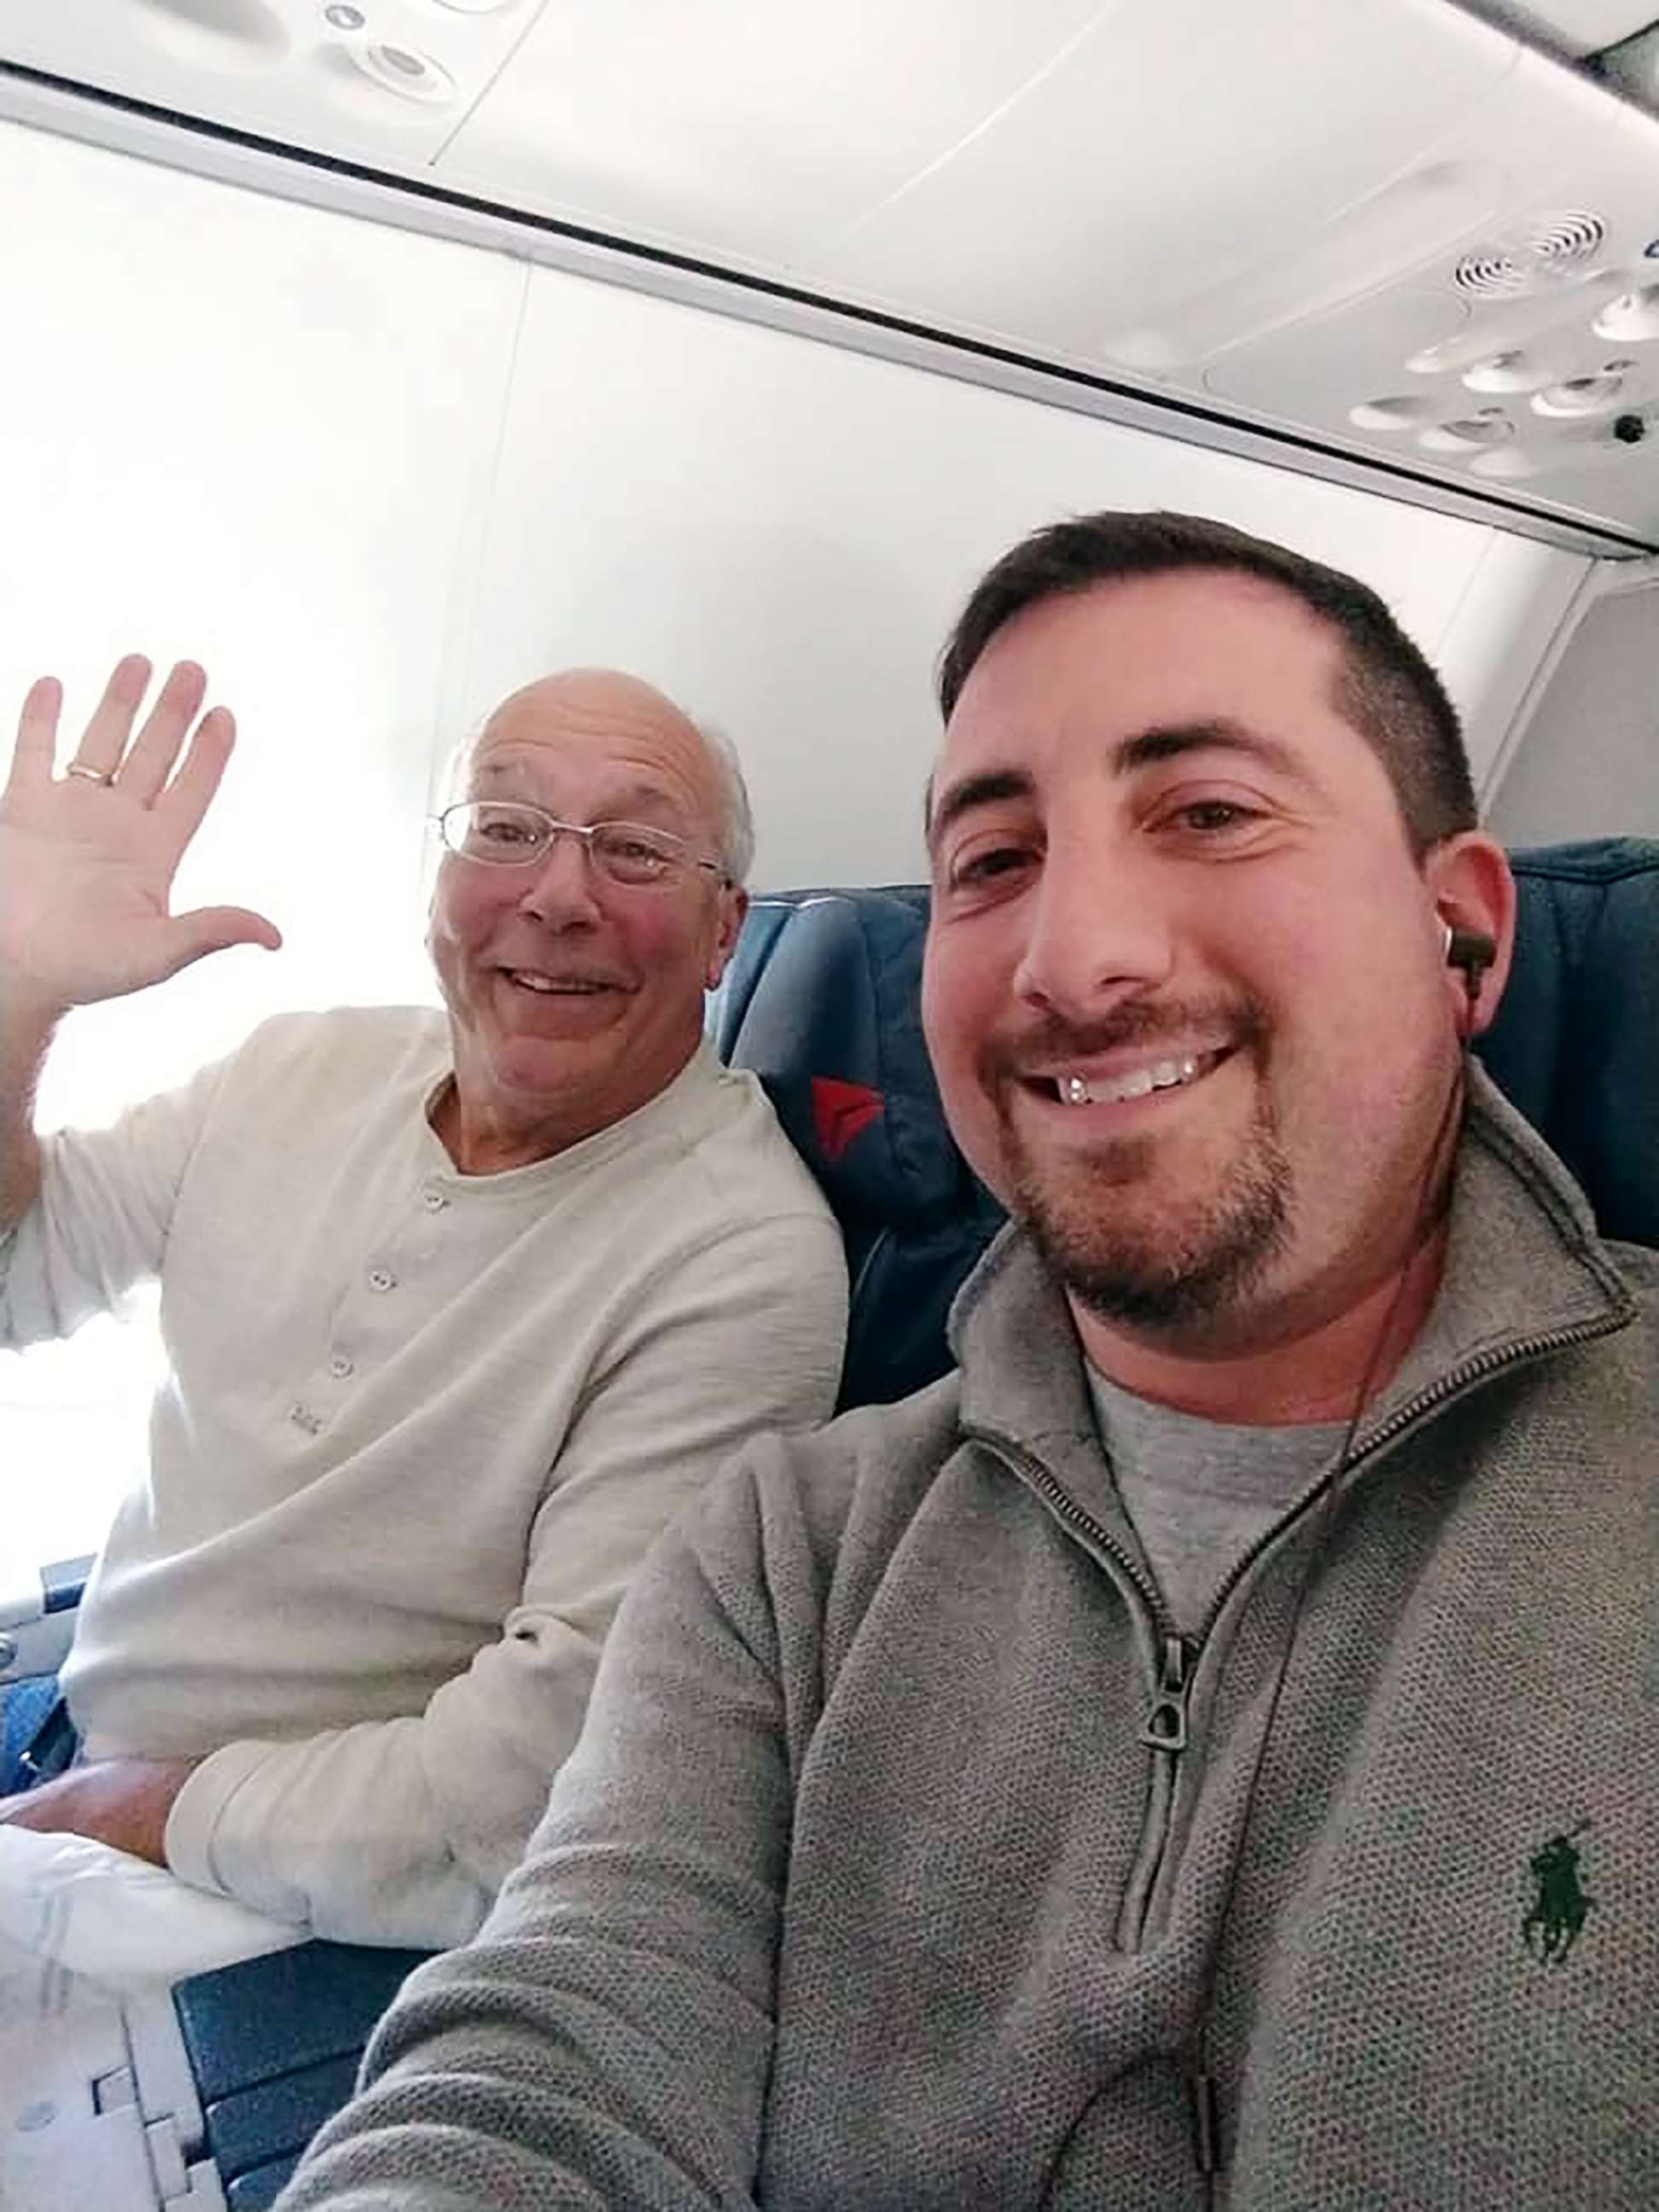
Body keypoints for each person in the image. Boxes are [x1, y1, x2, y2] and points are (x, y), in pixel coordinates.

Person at [278, 510, 1657, 2209]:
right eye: (991, 863)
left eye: (1208, 813)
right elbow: (553, 2062)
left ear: (1464, 934)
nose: (1074, 962)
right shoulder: (792, 1553)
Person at [0, 654, 847, 1947]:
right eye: (506, 828)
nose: (559, 896)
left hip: (288, 1889)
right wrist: (19, 991)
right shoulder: (296, 1067)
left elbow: (531, 1779)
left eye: (632, 848)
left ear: (726, 926)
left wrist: (144, 1810)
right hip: (78, 1729)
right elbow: (17, 1279)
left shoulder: (739, 1261)